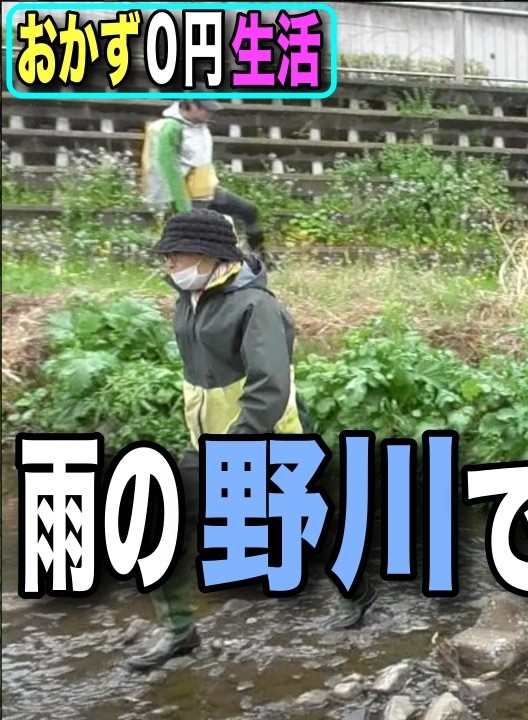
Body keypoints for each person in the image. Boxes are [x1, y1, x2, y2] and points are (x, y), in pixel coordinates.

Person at [127, 209, 375, 671]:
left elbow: (269, 386)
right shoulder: (191, 299)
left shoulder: (255, 307)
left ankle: (358, 592)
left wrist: (235, 446)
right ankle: (180, 630)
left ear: (209, 255)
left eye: (176, 256)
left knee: (307, 530)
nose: (170, 266)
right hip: (208, 443)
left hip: (264, 442)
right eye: (167, 257)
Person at [141, 100, 269, 258]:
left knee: (249, 210)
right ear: (189, 105)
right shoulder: (171, 129)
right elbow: (170, 170)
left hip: (209, 190)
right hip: (188, 195)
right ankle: (156, 258)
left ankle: (261, 257)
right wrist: (182, 206)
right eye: (205, 110)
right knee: (184, 237)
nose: (209, 114)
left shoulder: (200, 125)